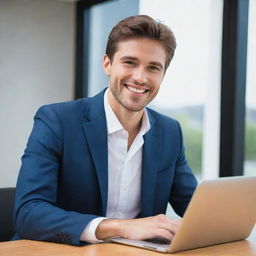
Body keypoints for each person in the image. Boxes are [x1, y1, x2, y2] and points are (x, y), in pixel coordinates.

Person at [13, 15, 197, 245]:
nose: (140, 77)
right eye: (130, 62)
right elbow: (29, 213)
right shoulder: (56, 120)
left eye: (153, 67)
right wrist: (120, 227)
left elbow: (196, 208)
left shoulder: (170, 132)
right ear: (108, 64)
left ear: (163, 74)